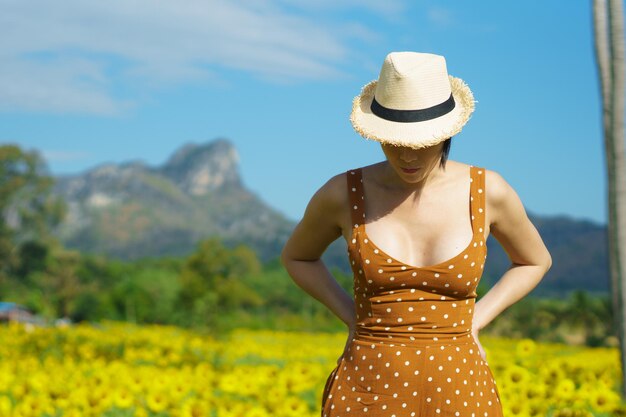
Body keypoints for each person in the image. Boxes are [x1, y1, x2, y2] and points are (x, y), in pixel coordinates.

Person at [280, 51, 552, 417]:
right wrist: (351, 315)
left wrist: (475, 319)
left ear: (447, 132)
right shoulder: (342, 193)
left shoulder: (489, 191)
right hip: (367, 388)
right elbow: (297, 256)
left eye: (422, 142)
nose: (408, 155)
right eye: (394, 141)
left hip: (461, 388)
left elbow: (534, 261)